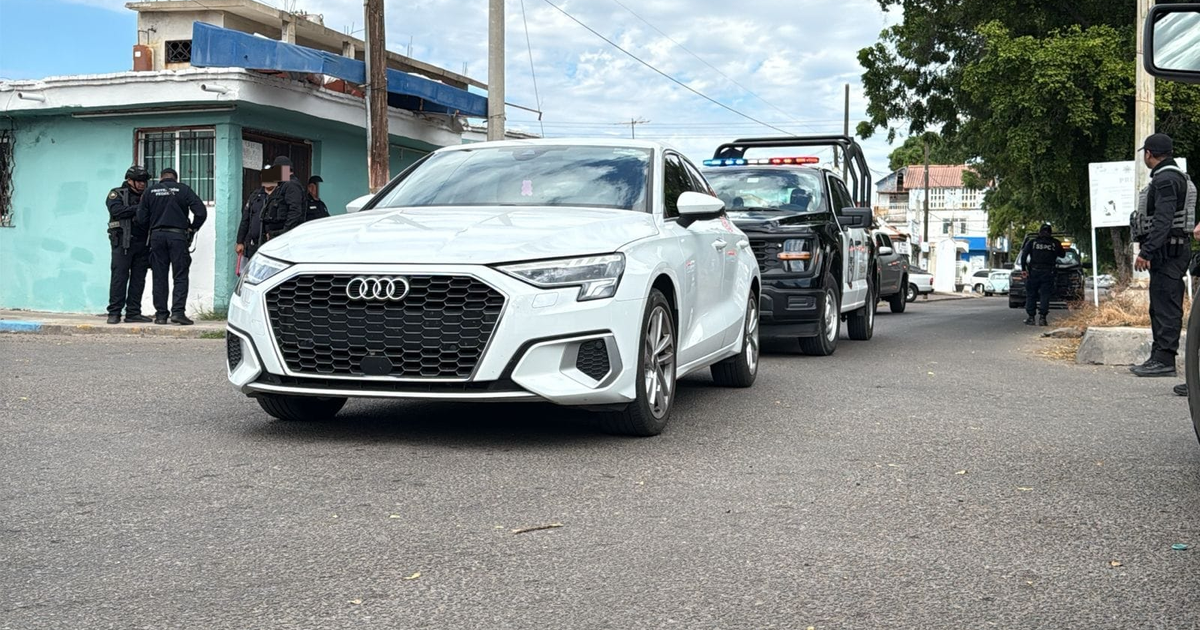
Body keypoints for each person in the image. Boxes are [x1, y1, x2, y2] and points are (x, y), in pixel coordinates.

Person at [1130, 133, 1197, 379]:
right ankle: (1158, 357)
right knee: (1160, 305)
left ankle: (1165, 360)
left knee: (1166, 306)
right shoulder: (1171, 176)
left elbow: (1163, 219)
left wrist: (1147, 251)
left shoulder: (1166, 179)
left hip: (1169, 251)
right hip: (1169, 249)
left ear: (1149, 153)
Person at [136, 168, 207, 326]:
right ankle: (178, 313)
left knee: (159, 276)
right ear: (176, 178)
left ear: (161, 178)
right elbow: (201, 212)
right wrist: (193, 228)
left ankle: (161, 315)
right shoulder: (183, 189)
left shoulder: (150, 191)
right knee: (180, 275)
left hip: (157, 237)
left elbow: (141, 218)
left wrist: (153, 228)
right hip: (178, 237)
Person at [106, 166, 152, 325]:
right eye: (139, 181)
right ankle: (114, 312)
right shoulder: (117, 193)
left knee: (139, 279)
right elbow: (117, 210)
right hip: (122, 242)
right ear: (129, 180)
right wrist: (140, 208)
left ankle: (133, 312)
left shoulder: (147, 195)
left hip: (143, 242)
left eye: (144, 181)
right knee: (119, 278)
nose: (142, 184)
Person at [1019, 224, 1064, 327]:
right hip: (1048, 273)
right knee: (1045, 295)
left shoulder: (1032, 242)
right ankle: (1042, 319)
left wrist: (1023, 269)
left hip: (1034, 272)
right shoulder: (1055, 243)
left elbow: (1024, 256)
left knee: (1031, 294)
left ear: (1039, 232)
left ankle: (1031, 318)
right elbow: (1062, 254)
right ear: (1050, 232)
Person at [261, 156, 306, 240]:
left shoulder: (291, 185)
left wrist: (284, 232)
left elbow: (295, 211)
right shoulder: (283, 185)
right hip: (278, 234)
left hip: (285, 236)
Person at [236, 174, 275, 262]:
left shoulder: (280, 196)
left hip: (271, 244)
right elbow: (245, 220)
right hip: (254, 244)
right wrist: (240, 241)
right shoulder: (255, 196)